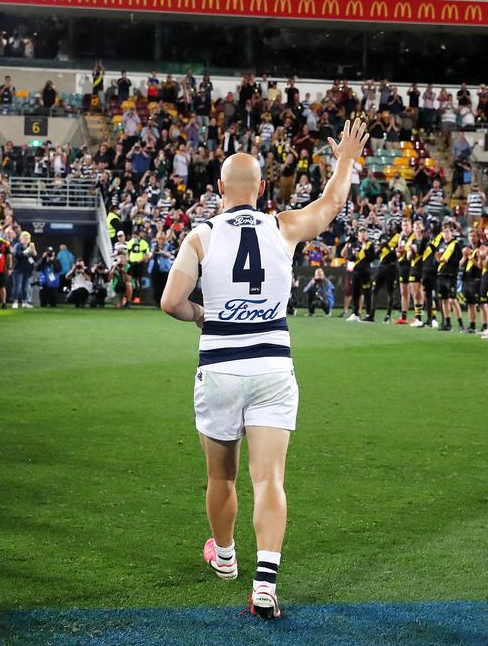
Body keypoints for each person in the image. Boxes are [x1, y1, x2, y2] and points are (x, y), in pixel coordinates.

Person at [159, 118, 368, 620]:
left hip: (222, 368)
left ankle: (226, 558)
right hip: (273, 367)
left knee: (222, 476)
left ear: (219, 190)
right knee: (269, 479)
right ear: (261, 189)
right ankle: (267, 584)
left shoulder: (201, 235)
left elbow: (171, 302)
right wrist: (344, 161)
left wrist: (201, 316)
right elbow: (332, 204)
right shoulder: (282, 226)